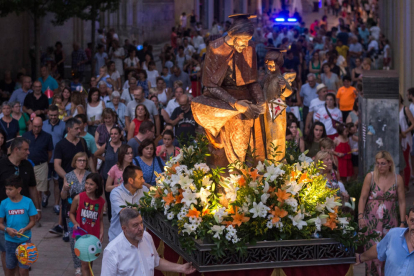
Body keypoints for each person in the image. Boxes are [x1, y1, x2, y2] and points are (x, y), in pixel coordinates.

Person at [102, 208, 196, 276]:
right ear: (124, 228)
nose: (141, 228)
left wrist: (181, 268)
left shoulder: (147, 237)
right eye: (135, 225)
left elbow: (155, 261)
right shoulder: (112, 251)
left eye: (141, 223)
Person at [358, 151, 406, 276]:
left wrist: (402, 222)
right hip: (372, 221)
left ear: (389, 164)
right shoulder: (371, 176)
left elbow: (401, 202)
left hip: (390, 221)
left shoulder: (397, 178)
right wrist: (360, 216)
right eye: (378, 163)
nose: (380, 167)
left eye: (383, 164)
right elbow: (363, 198)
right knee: (371, 252)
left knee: (389, 250)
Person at [0, 138, 41, 273]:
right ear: (16, 150)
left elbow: (32, 187)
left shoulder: (27, 165)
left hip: (23, 216)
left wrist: (37, 208)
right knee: (6, 249)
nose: (28, 152)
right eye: (25, 149)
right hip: (5, 214)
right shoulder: (1, 164)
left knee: (23, 250)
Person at [53, 118, 95, 240]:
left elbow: (88, 158)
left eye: (80, 128)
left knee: (85, 206)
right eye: (76, 128)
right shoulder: (61, 145)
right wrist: (68, 178)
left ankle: (83, 229)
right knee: (67, 206)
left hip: (84, 179)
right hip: (67, 180)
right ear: (69, 129)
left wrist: (93, 174)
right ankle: (68, 230)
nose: (79, 130)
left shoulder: (82, 142)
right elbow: (57, 165)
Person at [355, 206, 414, 276]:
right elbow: (378, 250)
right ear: (407, 219)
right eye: (412, 221)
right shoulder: (394, 234)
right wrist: (360, 257)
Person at [60, 152, 91, 276]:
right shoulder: (68, 176)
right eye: (79, 160)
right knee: (75, 240)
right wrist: (65, 189)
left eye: (84, 160)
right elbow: (63, 196)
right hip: (72, 213)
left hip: (87, 212)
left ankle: (86, 263)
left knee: (87, 237)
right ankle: (78, 266)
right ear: (75, 162)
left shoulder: (90, 176)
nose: (82, 163)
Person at [0, 175, 37, 276]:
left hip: (25, 242)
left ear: (19, 189)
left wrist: (25, 229)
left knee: (24, 270)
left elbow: (33, 221)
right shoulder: (4, 203)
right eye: (6, 189)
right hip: (9, 242)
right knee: (10, 268)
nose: (7, 191)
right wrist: (7, 229)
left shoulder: (28, 202)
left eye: (10, 189)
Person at [69, 173, 104, 276]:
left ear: (97, 186)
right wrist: (75, 223)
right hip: (81, 234)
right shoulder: (78, 198)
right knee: (84, 264)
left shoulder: (101, 201)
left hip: (94, 235)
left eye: (91, 184)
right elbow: (71, 213)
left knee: (90, 262)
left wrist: (102, 232)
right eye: (86, 183)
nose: (88, 186)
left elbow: (100, 219)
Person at [22, 117, 53, 222]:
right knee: (26, 189)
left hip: (41, 165)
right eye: (35, 126)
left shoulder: (47, 136)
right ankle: (28, 212)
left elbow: (50, 153)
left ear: (42, 126)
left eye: (39, 126)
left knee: (39, 191)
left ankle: (37, 212)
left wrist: (44, 163)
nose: (36, 128)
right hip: (27, 165)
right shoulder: (25, 135)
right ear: (31, 124)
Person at [108, 165, 149, 241]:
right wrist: (142, 206)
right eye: (140, 178)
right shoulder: (116, 193)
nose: (143, 181)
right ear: (130, 180)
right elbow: (126, 213)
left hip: (139, 238)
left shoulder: (144, 190)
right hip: (119, 239)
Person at [42, 105, 66, 213]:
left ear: (58, 114)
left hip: (58, 158)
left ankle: (56, 204)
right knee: (45, 183)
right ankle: (46, 194)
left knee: (57, 182)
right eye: (51, 115)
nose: (53, 117)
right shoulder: (43, 125)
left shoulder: (64, 125)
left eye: (55, 115)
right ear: (48, 114)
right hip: (46, 158)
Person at [399, 94, 414, 191]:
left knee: (405, 161)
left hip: (405, 138)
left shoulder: (405, 109)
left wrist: (405, 131)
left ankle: (406, 184)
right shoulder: (392, 109)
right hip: (397, 138)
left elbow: (413, 123)